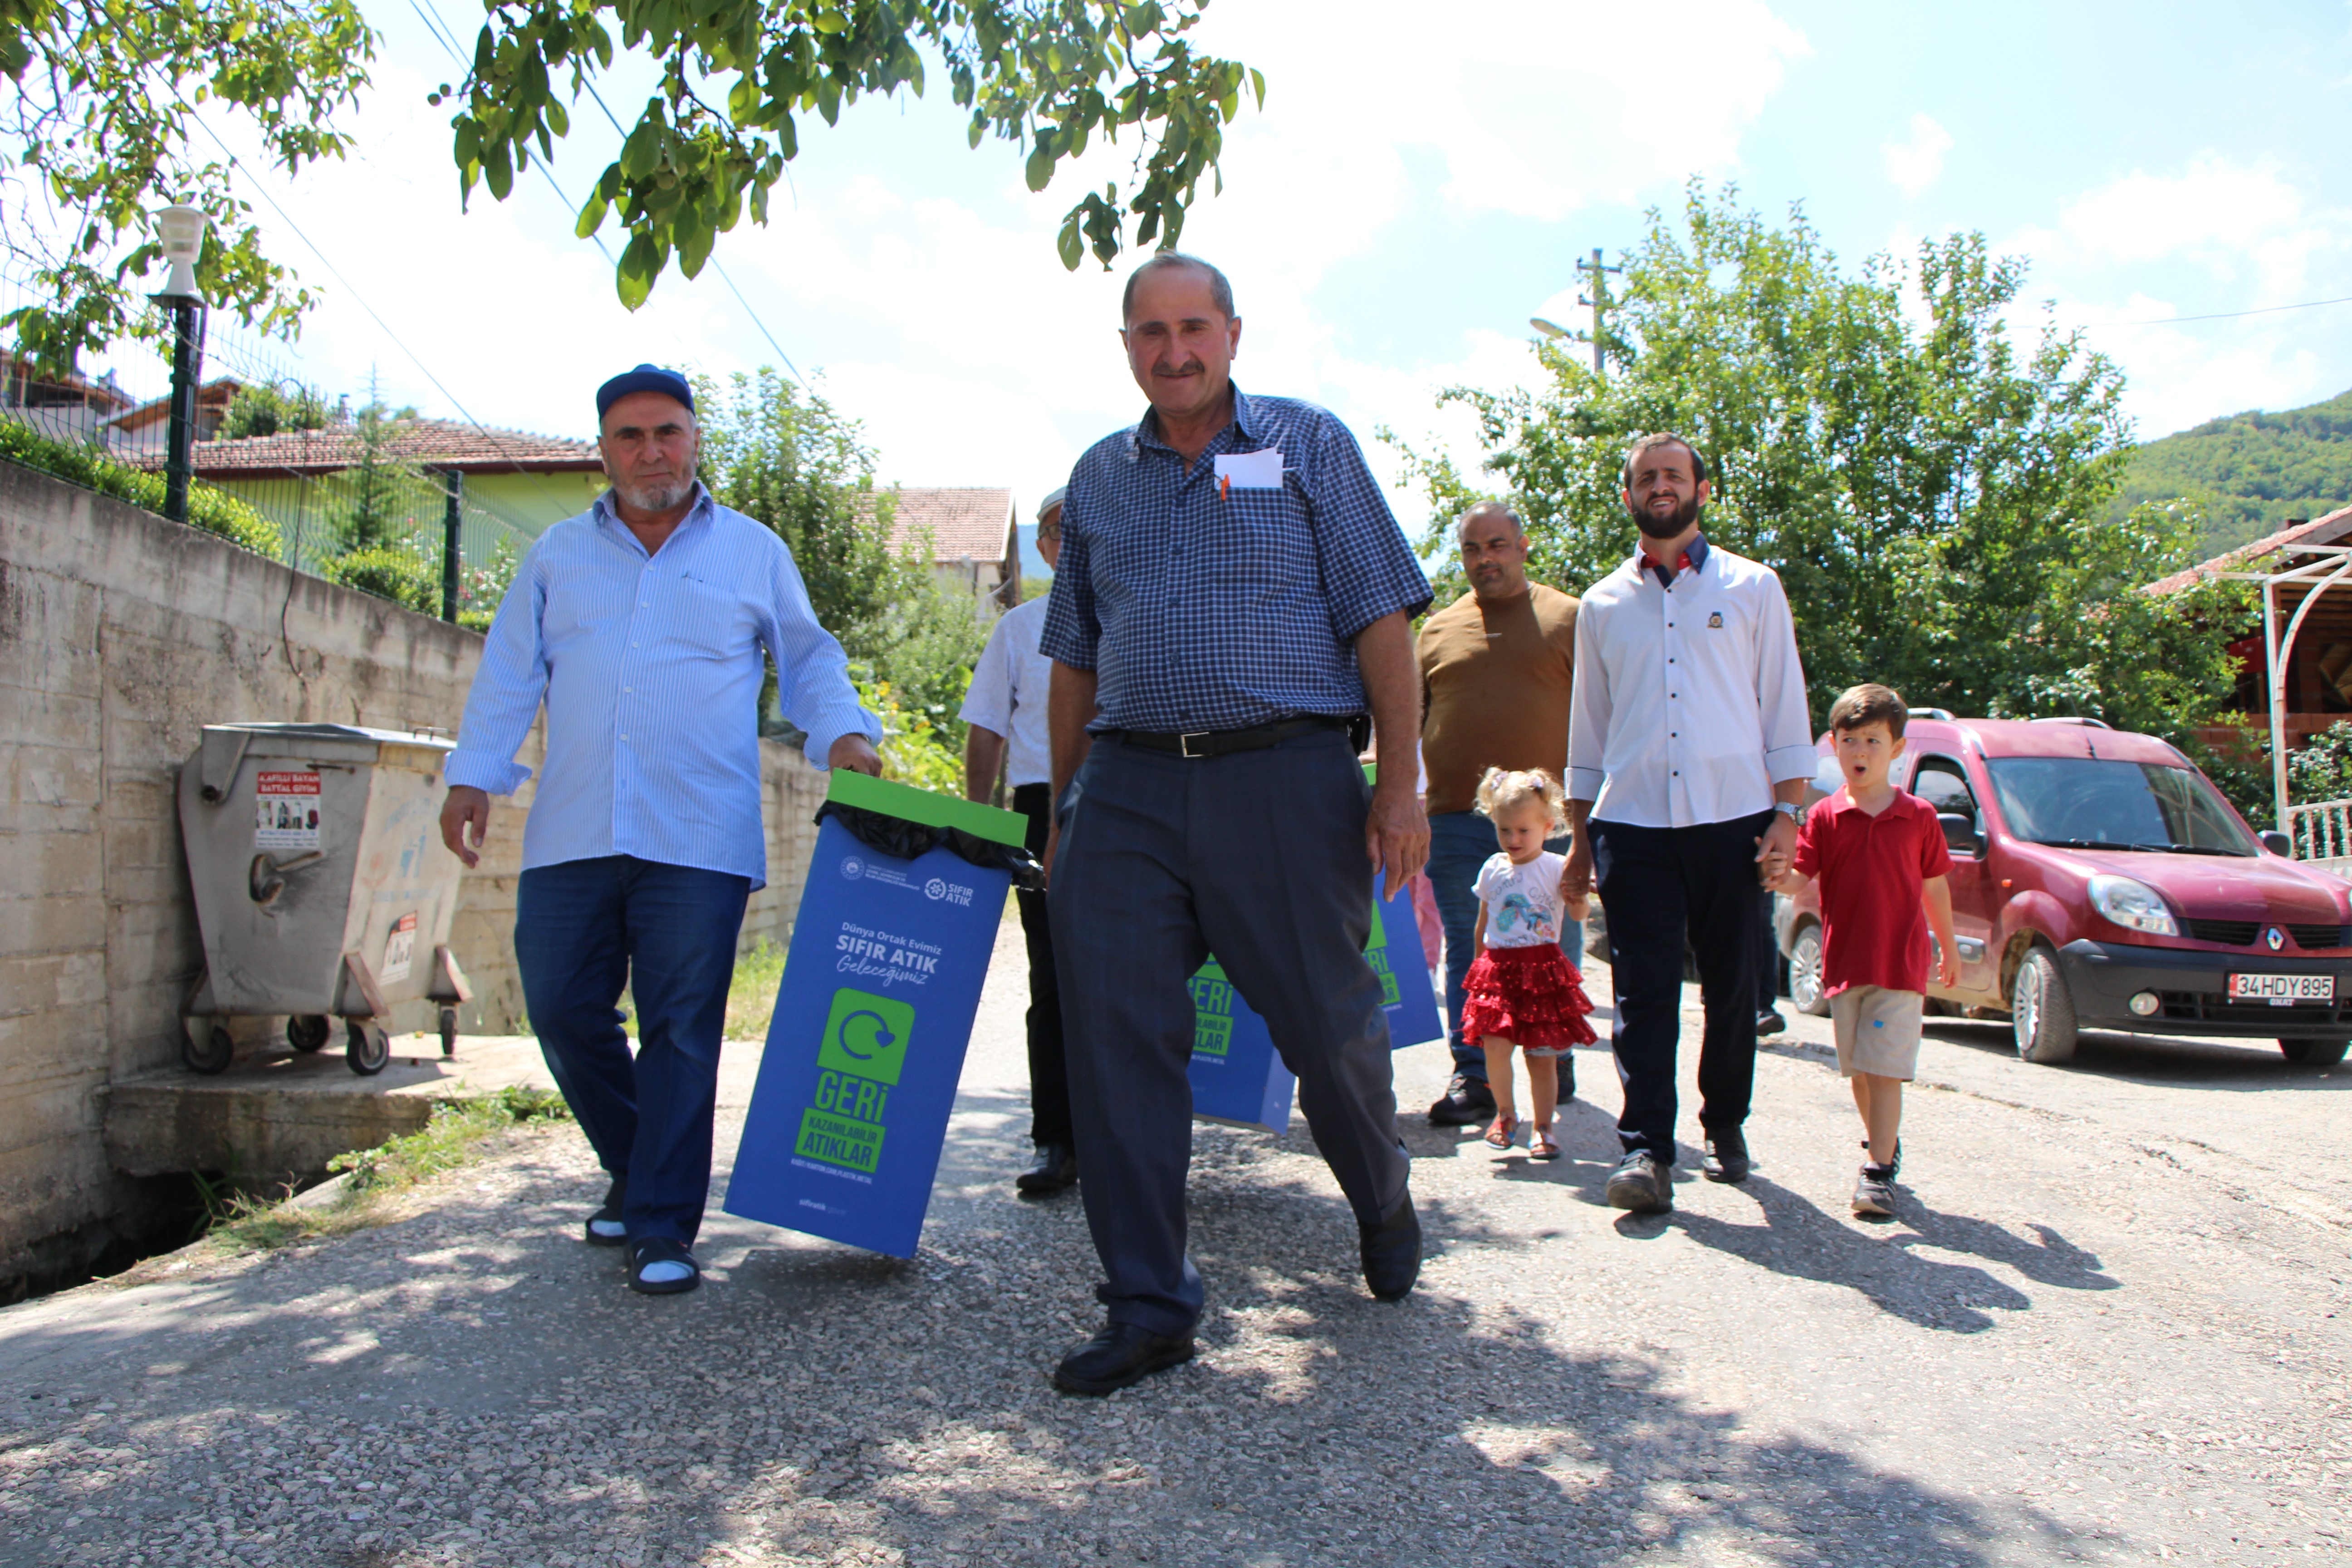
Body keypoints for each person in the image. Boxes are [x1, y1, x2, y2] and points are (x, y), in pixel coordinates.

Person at [1041, 253, 1433, 1396]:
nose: (1174, 350)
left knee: (1328, 1026)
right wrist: (1068, 805)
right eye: (1150, 331)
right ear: (1125, 347)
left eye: (1193, 326)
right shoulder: (1097, 478)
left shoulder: (1307, 444)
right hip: (1125, 787)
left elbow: (1380, 623)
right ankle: (1151, 1304)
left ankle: (1381, 1187)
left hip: (1285, 776)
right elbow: (1073, 657)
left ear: (1233, 332)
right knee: (1113, 1046)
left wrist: (1399, 784)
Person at [440, 364, 882, 1296]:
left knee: (682, 1029)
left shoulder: (753, 551)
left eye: (669, 432)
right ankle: (644, 1167)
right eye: (632, 436)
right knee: (561, 1007)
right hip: (573, 829)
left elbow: (808, 659)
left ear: (694, 440)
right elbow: (510, 673)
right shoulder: (558, 554)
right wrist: (473, 776)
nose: (652, 451)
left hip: (700, 833)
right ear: (604, 451)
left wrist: (845, 735)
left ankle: (661, 1223)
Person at [1561, 431, 1814, 1215]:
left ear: (1701, 491)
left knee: (1734, 985)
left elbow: (1783, 707)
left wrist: (1787, 814)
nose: (1659, 486)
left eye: (1672, 475)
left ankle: (1725, 1123)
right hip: (1632, 825)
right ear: (1629, 494)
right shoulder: (1601, 604)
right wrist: (1578, 843)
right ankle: (1646, 1149)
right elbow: (1587, 734)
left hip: (1731, 821)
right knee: (1640, 991)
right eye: (1645, 477)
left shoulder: (1752, 589)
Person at [1416, 502, 1585, 1127]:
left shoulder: (1570, 618)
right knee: (1473, 946)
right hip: (1459, 821)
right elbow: (1412, 721)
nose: (1485, 558)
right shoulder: (1436, 630)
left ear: (1522, 545)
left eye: (1497, 545)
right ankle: (1475, 1071)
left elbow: (1602, 718)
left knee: (1550, 945)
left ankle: (1552, 1051)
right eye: (1471, 549)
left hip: (1549, 826)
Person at [1768, 684, 1956, 1218]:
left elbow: (1935, 886)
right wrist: (1775, 874)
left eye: (1874, 741)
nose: (1860, 752)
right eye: (1850, 740)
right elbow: (1801, 877)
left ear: (1896, 748)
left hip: (1900, 966)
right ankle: (1884, 1145)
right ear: (1833, 744)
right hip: (1845, 965)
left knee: (1885, 1070)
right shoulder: (1826, 815)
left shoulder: (1918, 816)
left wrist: (1948, 946)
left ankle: (1876, 1172)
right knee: (1861, 1071)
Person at [960, 487, 1076, 1196]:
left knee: (1138, 974)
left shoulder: (1139, 612)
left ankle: (1134, 1138)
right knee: (1053, 978)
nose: (1075, 538)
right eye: (1061, 529)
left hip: (1132, 800)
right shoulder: (1019, 629)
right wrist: (982, 823)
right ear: (1043, 547)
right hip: (1041, 806)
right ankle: (1057, 1139)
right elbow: (986, 728)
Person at [1458, 768, 1595, 1162]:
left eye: (1523, 831)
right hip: (1498, 969)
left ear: (1548, 826)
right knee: (1496, 1047)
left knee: (1541, 1056)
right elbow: (1483, 923)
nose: (1513, 840)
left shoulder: (1556, 867)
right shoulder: (1492, 868)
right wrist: (1476, 968)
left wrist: (1577, 899)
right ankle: (1505, 1114)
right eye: (1504, 830)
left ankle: (1544, 1126)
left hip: (1541, 969)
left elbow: (1580, 912)